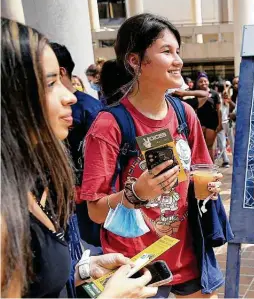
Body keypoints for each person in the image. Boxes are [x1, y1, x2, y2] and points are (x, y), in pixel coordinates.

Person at [1, 17, 157, 298]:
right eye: (50, 85)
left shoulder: (33, 181)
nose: (70, 96)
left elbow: (36, 282)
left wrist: (83, 270)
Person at [81, 13, 229, 298]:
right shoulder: (109, 126)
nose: (178, 61)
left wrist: (208, 189)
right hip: (136, 266)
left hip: (189, 256)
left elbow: (200, 171)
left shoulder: (184, 115)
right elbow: (96, 211)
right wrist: (135, 193)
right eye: (166, 52)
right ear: (135, 61)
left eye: (178, 52)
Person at [50, 42, 105, 247]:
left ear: (61, 71)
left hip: (85, 203)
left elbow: (104, 158)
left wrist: (84, 188)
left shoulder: (90, 109)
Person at [186, 72, 223, 162]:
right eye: (201, 81)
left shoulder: (214, 94)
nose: (203, 83)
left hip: (212, 122)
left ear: (208, 82)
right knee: (200, 145)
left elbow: (219, 110)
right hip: (200, 121)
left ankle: (211, 165)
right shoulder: (195, 94)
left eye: (205, 81)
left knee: (209, 146)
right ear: (197, 83)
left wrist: (220, 124)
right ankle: (202, 164)